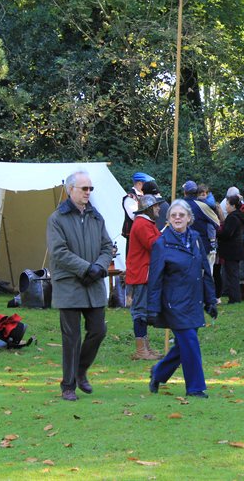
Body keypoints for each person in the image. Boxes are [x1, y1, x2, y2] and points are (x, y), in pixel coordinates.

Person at [46, 170, 113, 401]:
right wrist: (86, 268)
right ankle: (68, 386)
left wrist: (99, 267)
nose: (88, 192)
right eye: (84, 188)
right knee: (71, 337)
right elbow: (59, 252)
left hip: (93, 283)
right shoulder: (57, 219)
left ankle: (80, 370)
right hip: (69, 284)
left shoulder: (96, 217)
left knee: (98, 330)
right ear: (70, 189)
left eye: (90, 188)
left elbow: (107, 247)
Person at [147, 200, 217, 398]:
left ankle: (159, 372)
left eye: (181, 215)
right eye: (173, 215)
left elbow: (205, 270)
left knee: (184, 345)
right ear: (168, 219)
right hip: (174, 304)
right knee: (190, 342)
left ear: (189, 218)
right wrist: (152, 308)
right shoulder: (161, 244)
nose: (177, 218)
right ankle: (195, 387)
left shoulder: (195, 238)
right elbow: (155, 279)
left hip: (194, 301)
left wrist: (210, 299)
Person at [125, 194, 164, 361]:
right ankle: (141, 350)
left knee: (143, 311)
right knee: (140, 312)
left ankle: (145, 348)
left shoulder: (146, 223)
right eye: (156, 206)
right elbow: (154, 245)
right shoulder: (142, 224)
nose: (159, 208)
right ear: (148, 208)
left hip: (144, 273)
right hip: (140, 274)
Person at [218, 195, 244, 303]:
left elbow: (227, 233)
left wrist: (218, 233)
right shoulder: (238, 216)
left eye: (227, 204)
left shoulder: (232, 218)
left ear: (233, 206)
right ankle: (235, 296)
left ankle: (234, 298)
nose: (226, 206)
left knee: (232, 274)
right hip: (236, 249)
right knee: (233, 273)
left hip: (231, 250)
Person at [121, 172, 152, 255]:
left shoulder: (145, 196)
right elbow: (134, 216)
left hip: (143, 233)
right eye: (147, 184)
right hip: (133, 234)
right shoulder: (130, 198)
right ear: (139, 184)